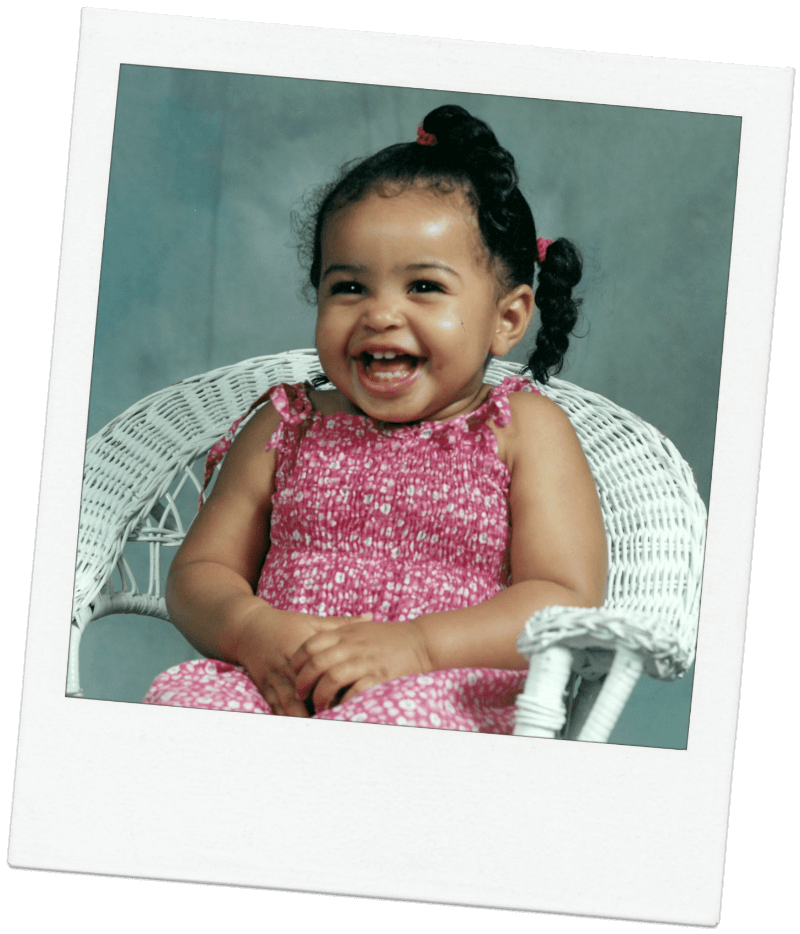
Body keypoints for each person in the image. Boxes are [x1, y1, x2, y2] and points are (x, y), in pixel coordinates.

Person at [144, 104, 608, 733]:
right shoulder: (286, 426)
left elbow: (564, 597)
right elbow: (200, 572)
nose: (381, 315)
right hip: (278, 688)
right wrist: (252, 630)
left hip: (437, 693)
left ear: (508, 318)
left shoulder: (521, 428)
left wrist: (416, 647)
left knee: (389, 731)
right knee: (189, 712)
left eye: (424, 287)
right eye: (350, 288)